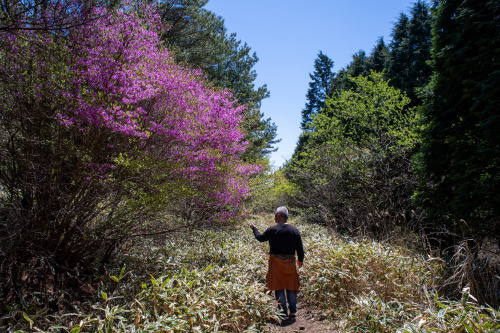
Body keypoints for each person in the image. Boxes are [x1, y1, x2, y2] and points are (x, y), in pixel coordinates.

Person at [248, 206, 304, 320]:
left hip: (276, 262)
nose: (274, 216)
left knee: (279, 286)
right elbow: (300, 248)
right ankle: (293, 311)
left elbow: (260, 238)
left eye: (275, 215)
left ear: (278, 216)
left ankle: (282, 311)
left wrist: (254, 228)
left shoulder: (272, 230)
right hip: (290, 262)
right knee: (291, 286)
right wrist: (300, 260)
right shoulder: (294, 230)